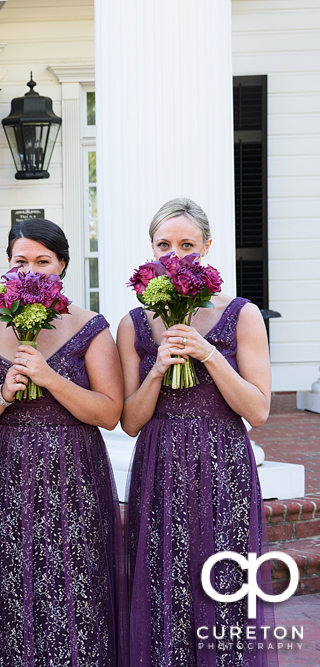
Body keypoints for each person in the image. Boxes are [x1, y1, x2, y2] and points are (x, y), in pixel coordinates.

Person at [0, 218, 127, 667]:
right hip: (7, 472)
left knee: (74, 584)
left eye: (43, 261)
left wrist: (50, 379)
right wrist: (2, 394)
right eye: (20, 261)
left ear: (62, 266)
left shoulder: (91, 326)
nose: (31, 270)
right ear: (6, 269)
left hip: (74, 472)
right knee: (12, 583)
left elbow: (109, 412)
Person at [116, 197, 274, 667]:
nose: (175, 255)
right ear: (151, 250)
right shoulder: (133, 325)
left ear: (207, 247)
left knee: (222, 582)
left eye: (187, 244)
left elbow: (259, 410)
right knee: (164, 583)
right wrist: (157, 371)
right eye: (164, 244)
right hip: (159, 461)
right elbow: (130, 420)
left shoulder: (241, 314)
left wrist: (207, 355)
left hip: (222, 459)